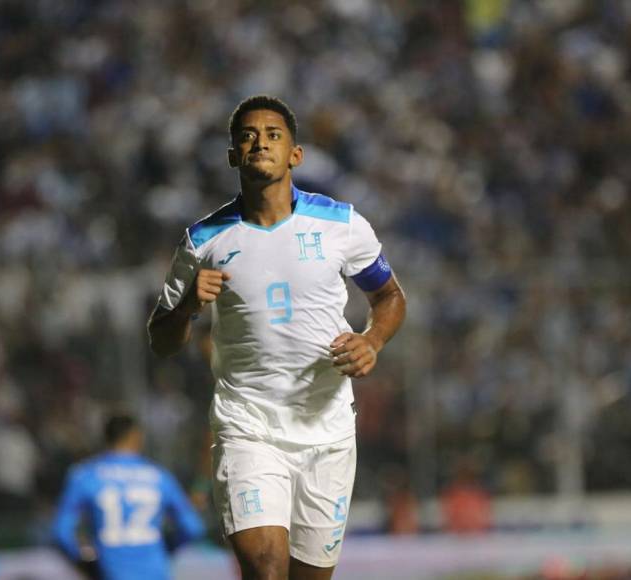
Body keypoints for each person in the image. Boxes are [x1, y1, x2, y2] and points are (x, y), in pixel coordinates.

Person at [147, 95, 406, 580]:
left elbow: (390, 297)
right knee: (266, 566)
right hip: (249, 427)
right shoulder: (203, 241)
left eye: (273, 134)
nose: (259, 142)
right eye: (247, 135)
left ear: (295, 154)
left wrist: (372, 341)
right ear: (232, 156)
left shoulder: (341, 225)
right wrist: (187, 307)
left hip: (327, 431)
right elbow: (161, 339)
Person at [52, 413, 206, 580]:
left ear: (106, 438)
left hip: (110, 572)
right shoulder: (160, 476)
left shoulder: (85, 476)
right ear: (137, 437)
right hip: (155, 572)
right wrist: (166, 549)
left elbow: (61, 532)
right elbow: (193, 527)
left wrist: (85, 563)